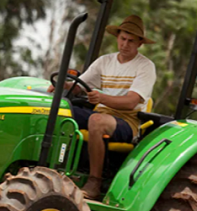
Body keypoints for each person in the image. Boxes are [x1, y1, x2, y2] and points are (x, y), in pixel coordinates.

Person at [48, 15, 156, 198]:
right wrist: (63, 85)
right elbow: (79, 85)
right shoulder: (105, 61)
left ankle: (94, 182)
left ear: (139, 43)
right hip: (101, 112)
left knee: (96, 121)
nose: (125, 44)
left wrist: (102, 98)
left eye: (131, 41)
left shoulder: (145, 67)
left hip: (128, 121)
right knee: (57, 110)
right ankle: (53, 168)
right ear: (117, 37)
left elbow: (131, 101)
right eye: (122, 39)